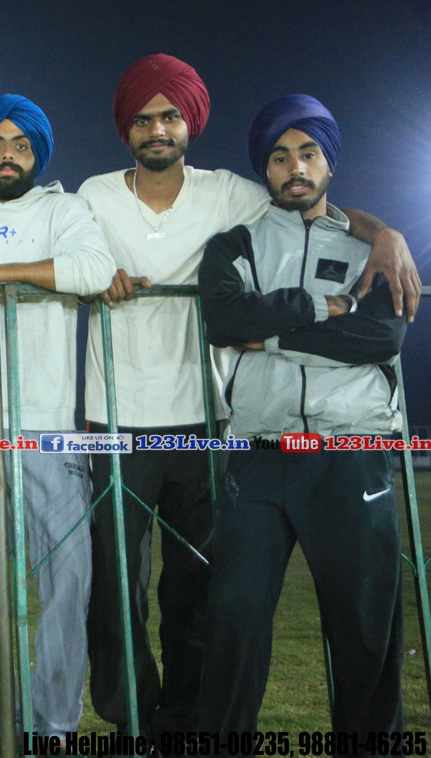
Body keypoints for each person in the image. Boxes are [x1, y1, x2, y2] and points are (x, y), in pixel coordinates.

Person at [77, 54, 420, 740]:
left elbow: (366, 309)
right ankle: (146, 727)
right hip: (167, 430)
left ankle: (201, 724)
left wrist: (385, 234)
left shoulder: (256, 206)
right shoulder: (119, 203)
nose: (157, 128)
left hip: (260, 429)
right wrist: (88, 271)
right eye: (142, 118)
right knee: (150, 597)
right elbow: (227, 319)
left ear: (190, 123)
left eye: (169, 115)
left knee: (244, 603)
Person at [196, 94, 406, 741]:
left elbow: (380, 338)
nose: (295, 168)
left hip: (351, 453)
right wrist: (325, 310)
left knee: (365, 632)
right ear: (265, 168)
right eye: (280, 156)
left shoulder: (374, 249)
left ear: (329, 162)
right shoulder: (236, 244)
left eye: (308, 153)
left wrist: (272, 333)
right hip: (259, 453)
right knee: (233, 621)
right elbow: (226, 320)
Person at [0, 94, 115, 741]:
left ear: (38, 153)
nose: (6, 155)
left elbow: (94, 270)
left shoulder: (66, 210)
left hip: (47, 420)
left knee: (68, 575)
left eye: (19, 145)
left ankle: (54, 725)